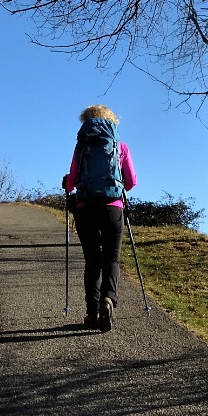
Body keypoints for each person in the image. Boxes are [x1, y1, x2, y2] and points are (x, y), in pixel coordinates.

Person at [62, 105, 137, 332]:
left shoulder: (81, 146)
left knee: (92, 261)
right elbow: (132, 181)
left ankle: (92, 312)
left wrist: (66, 181)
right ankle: (108, 299)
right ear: (111, 121)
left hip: (85, 208)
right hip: (112, 208)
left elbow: (71, 182)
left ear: (86, 122)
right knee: (111, 259)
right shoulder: (119, 146)